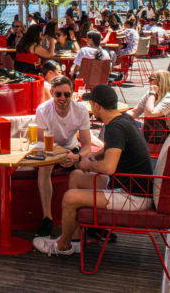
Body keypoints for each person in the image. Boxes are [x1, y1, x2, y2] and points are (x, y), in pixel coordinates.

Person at [32, 85, 154, 257]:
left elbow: (108, 168)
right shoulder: (123, 119)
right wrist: (91, 158)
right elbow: (110, 150)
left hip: (133, 196)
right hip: (132, 186)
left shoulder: (114, 128)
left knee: (70, 198)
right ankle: (76, 241)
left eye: (91, 103)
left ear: (97, 106)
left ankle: (62, 246)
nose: (90, 108)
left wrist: (87, 164)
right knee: (76, 176)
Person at [29, 75, 96, 237]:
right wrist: (60, 155)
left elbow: (86, 146)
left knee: (88, 166)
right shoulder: (43, 110)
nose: (62, 98)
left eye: (66, 94)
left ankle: (93, 221)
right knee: (45, 168)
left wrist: (77, 157)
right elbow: (40, 139)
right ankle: (47, 218)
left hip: (71, 149)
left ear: (72, 94)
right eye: (58, 94)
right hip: (48, 148)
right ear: (51, 93)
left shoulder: (80, 111)